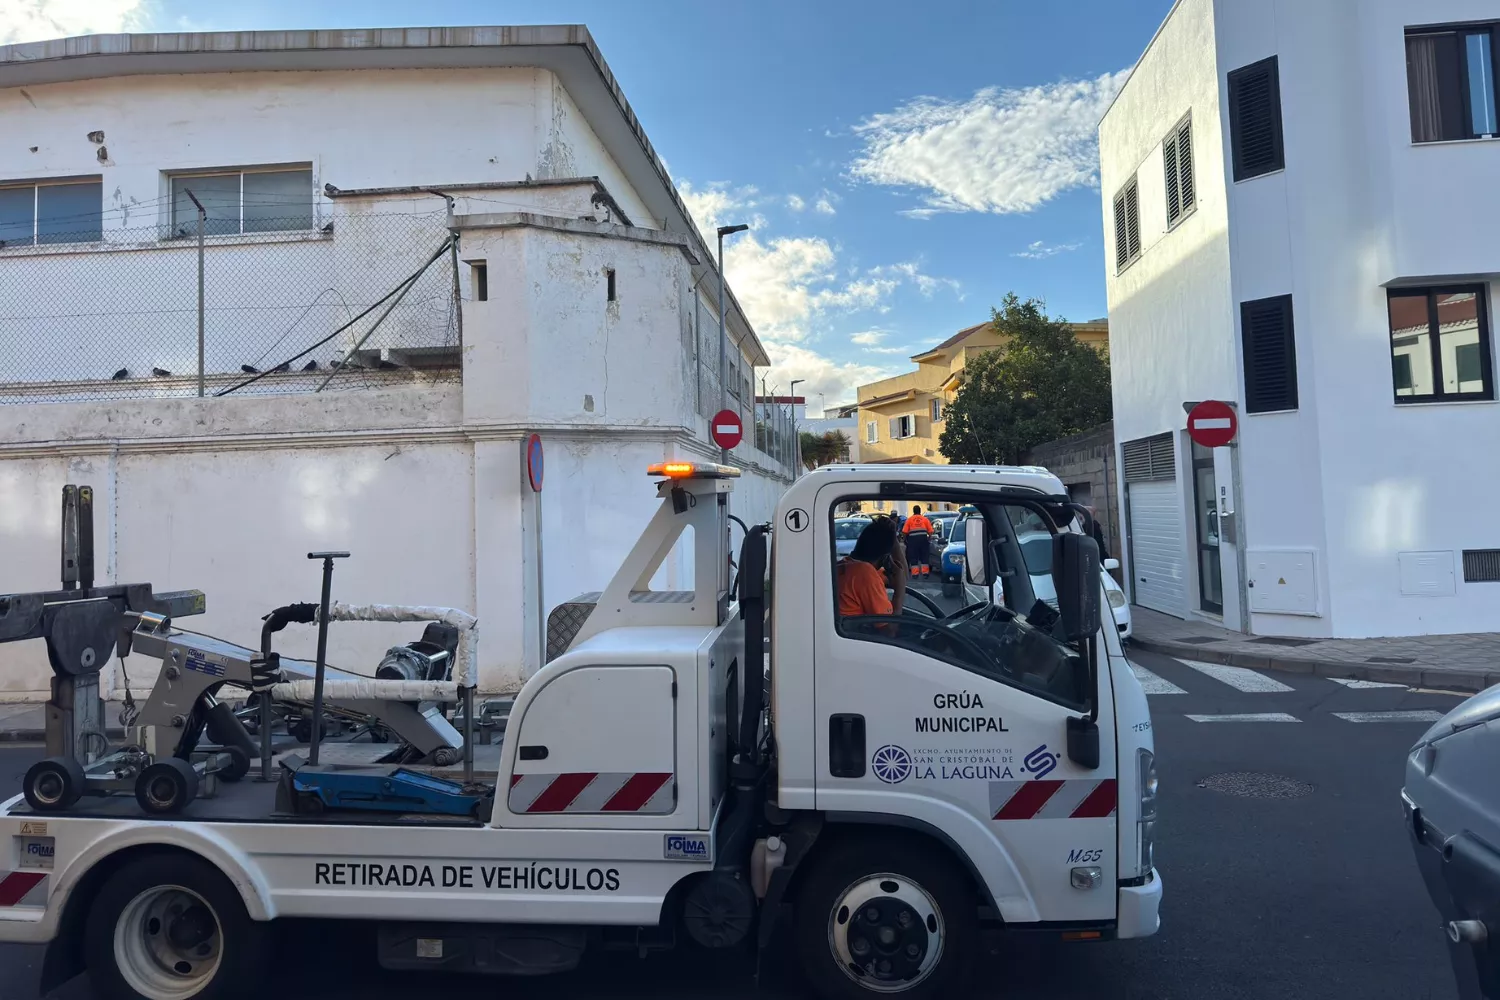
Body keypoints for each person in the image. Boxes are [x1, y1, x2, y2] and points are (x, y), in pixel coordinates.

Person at [837, 516, 907, 616]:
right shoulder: (865, 573)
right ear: (885, 558)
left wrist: (892, 536)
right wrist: (899, 593)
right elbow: (890, 629)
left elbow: (901, 576)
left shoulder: (847, 566)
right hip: (855, 631)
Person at [901, 504, 934, 577]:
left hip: (913, 541)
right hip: (923, 540)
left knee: (913, 556)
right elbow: (930, 531)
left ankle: (915, 574)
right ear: (920, 511)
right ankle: (925, 573)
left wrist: (904, 540)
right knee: (924, 556)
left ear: (913, 511)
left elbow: (904, 532)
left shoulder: (909, 520)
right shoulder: (925, 519)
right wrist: (929, 539)